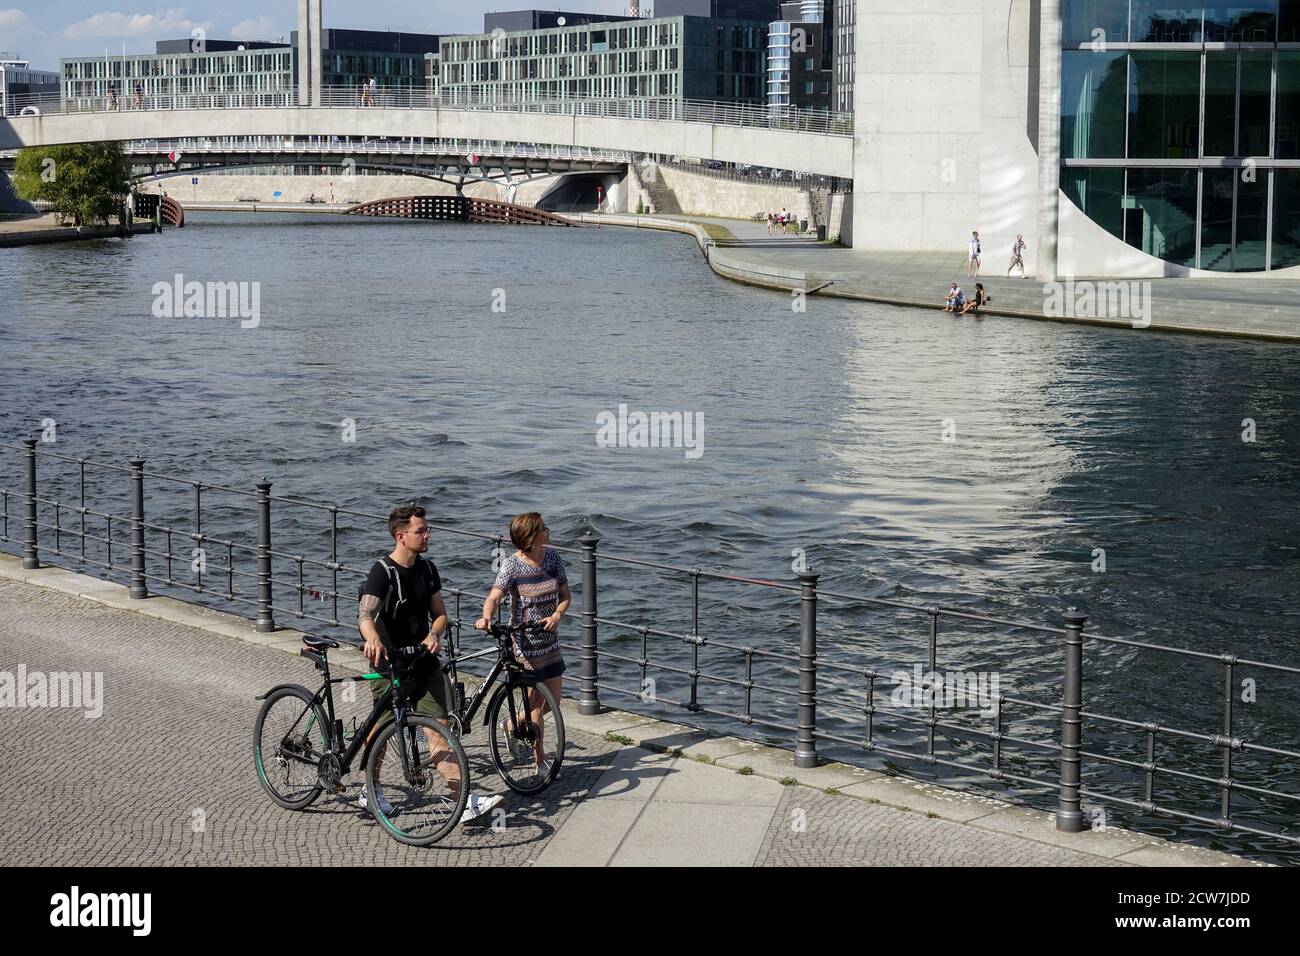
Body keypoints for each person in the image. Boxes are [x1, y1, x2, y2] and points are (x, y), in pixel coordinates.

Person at [358, 504, 502, 823]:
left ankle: (460, 799)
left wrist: (434, 634)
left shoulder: (428, 569)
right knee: (380, 731)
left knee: (440, 730)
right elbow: (365, 614)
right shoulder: (382, 571)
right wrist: (372, 639)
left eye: (427, 529)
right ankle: (371, 789)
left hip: (423, 662)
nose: (428, 535)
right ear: (401, 535)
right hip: (390, 665)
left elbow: (440, 615)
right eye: (421, 531)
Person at [474, 513, 570, 774]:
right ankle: (540, 764)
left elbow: (565, 595)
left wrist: (558, 615)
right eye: (542, 528)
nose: (548, 530)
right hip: (525, 643)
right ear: (531, 537)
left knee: (553, 703)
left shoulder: (552, 558)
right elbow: (494, 596)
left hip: (549, 641)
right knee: (536, 706)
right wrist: (486, 617)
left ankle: (512, 725)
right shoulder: (512, 565)